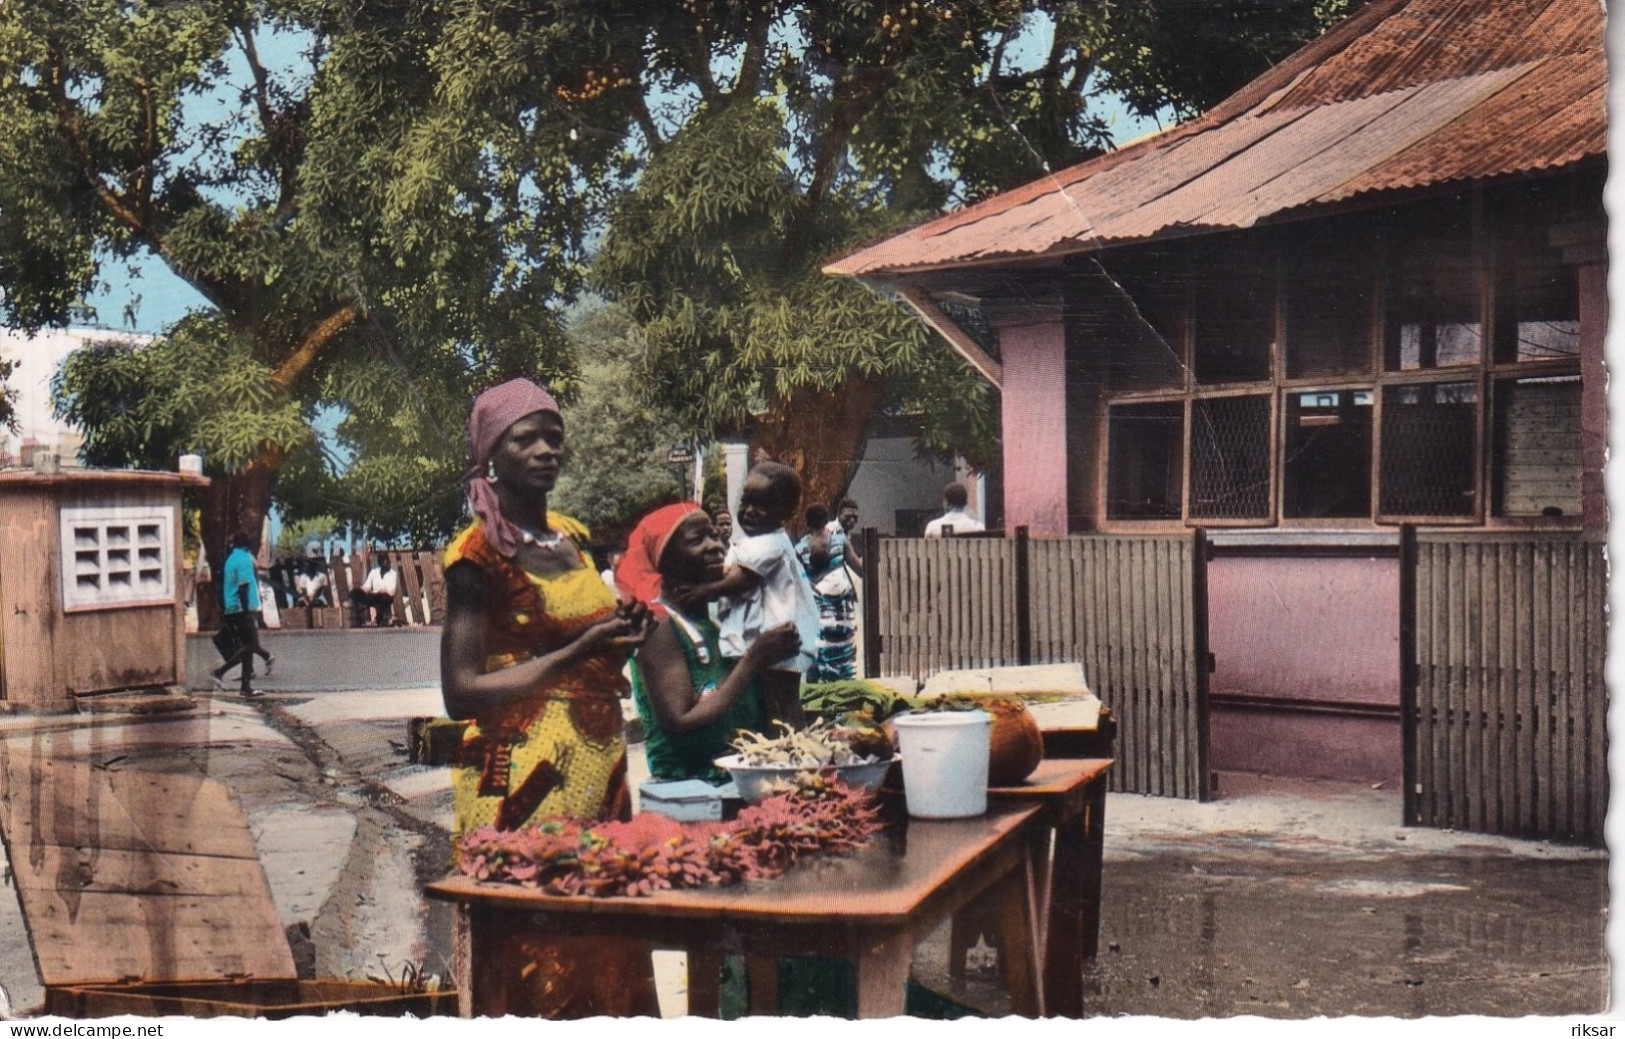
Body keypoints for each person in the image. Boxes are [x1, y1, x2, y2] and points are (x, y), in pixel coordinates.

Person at [438, 375, 658, 1019]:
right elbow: (461, 692)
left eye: (554, 437)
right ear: (490, 457)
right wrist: (574, 653)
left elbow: (590, 644)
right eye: (525, 437)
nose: (545, 449)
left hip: (597, 765)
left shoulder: (570, 537)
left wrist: (623, 635)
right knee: (537, 948)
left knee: (606, 931)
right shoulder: (476, 555)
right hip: (518, 780)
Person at [616, 502, 797, 781]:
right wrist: (753, 659)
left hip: (733, 779)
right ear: (666, 560)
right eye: (697, 540)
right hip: (690, 787)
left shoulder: (712, 622)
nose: (715, 545)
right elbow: (681, 719)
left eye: (714, 534)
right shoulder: (659, 626)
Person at [674, 461, 818, 730]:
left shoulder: (771, 543)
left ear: (785, 513)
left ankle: (793, 742)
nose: (750, 512)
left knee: (782, 700)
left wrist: (703, 591)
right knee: (768, 700)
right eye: (746, 502)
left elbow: (742, 580)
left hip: (781, 641)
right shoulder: (751, 544)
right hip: (771, 639)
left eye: (762, 506)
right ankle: (783, 740)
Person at [795, 504, 859, 683]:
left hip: (817, 610)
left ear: (807, 523)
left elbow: (798, 582)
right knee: (844, 657)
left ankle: (815, 702)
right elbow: (860, 568)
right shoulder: (840, 541)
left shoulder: (800, 549)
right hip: (843, 611)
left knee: (818, 656)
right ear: (826, 520)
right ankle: (842, 701)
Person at [210, 530, 273, 696]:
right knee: (251, 645)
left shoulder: (231, 559)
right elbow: (243, 587)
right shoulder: (244, 559)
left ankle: (246, 687)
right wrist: (246, 611)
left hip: (231, 607)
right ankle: (219, 672)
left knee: (248, 645)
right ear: (247, 544)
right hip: (241, 608)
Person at [350, 549, 398, 626]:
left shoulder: (393, 574)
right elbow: (367, 585)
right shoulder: (374, 572)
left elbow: (392, 591)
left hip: (385, 597)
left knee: (385, 597)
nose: (388, 564)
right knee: (354, 592)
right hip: (374, 596)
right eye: (385, 562)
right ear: (380, 563)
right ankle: (358, 618)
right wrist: (365, 589)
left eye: (388, 562)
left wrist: (384, 590)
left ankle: (378, 619)